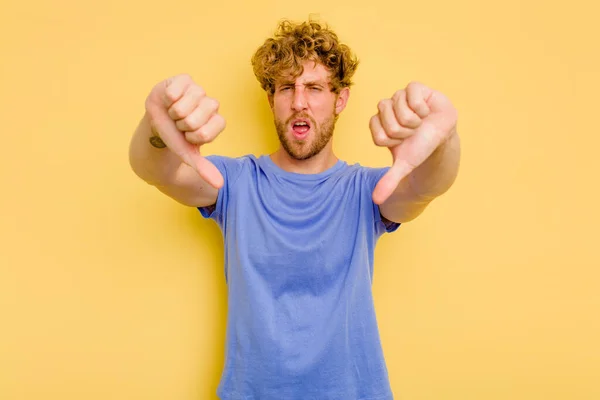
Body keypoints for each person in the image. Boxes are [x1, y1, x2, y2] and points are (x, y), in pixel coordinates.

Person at [129, 19, 460, 400]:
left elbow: (426, 186)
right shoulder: (235, 181)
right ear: (271, 99)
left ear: (340, 99)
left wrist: (445, 137)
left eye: (315, 88)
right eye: (287, 87)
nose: (299, 101)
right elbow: (156, 170)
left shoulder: (366, 190)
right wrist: (156, 127)